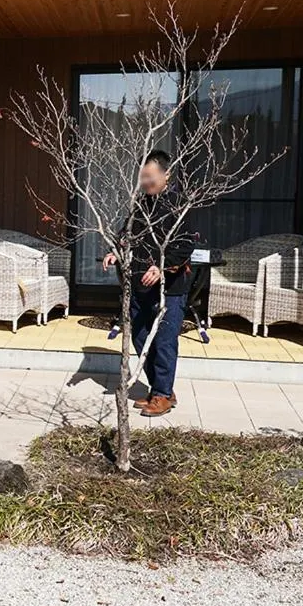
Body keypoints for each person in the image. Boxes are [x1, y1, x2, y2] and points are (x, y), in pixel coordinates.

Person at [102, 149, 193, 417]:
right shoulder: (141, 204)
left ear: (167, 175)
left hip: (170, 288)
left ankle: (163, 395)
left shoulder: (180, 205)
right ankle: (161, 388)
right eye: (142, 178)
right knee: (141, 338)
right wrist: (115, 252)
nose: (146, 183)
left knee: (164, 341)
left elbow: (186, 245)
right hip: (139, 283)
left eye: (150, 178)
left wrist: (162, 268)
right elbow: (125, 235)